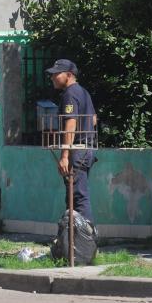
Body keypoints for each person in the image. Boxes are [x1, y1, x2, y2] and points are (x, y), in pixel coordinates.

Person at [45, 59, 97, 222]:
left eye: (56, 74)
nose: (52, 78)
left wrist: (65, 155)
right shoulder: (83, 92)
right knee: (74, 195)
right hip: (86, 148)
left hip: (77, 150)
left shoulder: (70, 93)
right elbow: (93, 119)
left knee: (77, 197)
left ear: (69, 75)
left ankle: (84, 241)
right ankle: (73, 239)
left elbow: (71, 122)